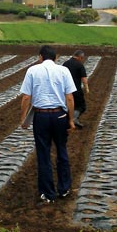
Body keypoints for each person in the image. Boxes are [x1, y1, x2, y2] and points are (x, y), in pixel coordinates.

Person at [20, 45, 76, 204]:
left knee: (43, 154)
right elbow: (70, 98)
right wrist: (70, 120)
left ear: (40, 57)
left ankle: (48, 193)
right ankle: (64, 188)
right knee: (61, 150)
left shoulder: (32, 71)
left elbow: (26, 97)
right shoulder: (64, 71)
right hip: (60, 115)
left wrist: (23, 119)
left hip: (41, 116)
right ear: (56, 57)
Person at [62, 50, 90, 129]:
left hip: (65, 90)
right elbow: (84, 79)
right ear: (80, 57)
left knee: (67, 106)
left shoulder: (65, 63)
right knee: (81, 106)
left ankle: (67, 121)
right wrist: (87, 88)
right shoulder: (79, 65)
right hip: (76, 90)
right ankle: (74, 119)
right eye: (82, 58)